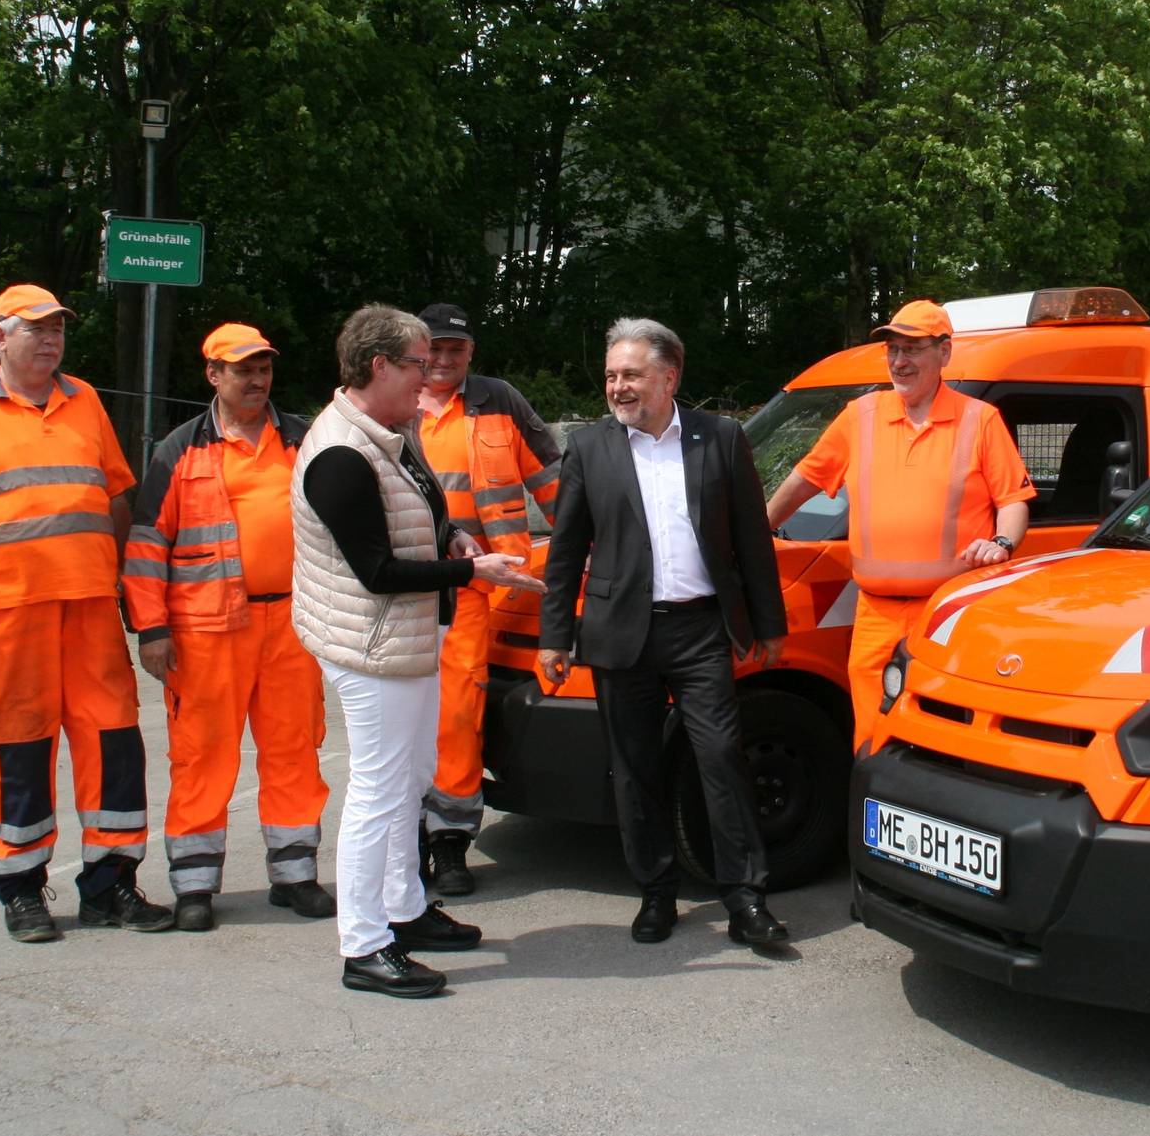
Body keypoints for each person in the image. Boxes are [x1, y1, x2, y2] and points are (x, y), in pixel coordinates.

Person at [0, 284, 174, 942]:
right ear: (0, 336)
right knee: (16, 746)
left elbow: (114, 496)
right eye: (37, 329)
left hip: (87, 608)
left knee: (114, 741)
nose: (51, 340)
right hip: (3, 615)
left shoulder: (85, 402)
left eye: (57, 330)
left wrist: (113, 576)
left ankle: (112, 886)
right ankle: (21, 890)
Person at [291, 304, 542, 998]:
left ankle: (405, 908)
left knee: (407, 779)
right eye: (416, 362)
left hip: (408, 634)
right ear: (379, 366)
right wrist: (471, 571)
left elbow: (423, 511)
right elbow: (376, 570)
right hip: (373, 644)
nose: (429, 373)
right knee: (377, 789)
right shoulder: (341, 453)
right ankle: (365, 944)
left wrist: (454, 537)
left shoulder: (390, 431)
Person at [538, 318, 790, 947]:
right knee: (636, 769)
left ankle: (745, 898)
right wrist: (554, 636)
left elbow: (751, 539)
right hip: (622, 635)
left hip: (702, 629)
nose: (618, 387)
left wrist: (769, 625)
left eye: (631, 375)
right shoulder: (590, 447)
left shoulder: (721, 438)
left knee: (722, 760)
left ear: (669, 375)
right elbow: (565, 550)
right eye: (612, 376)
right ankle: (656, 893)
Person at [122, 323, 333, 932]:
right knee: (201, 756)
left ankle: (295, 876)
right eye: (243, 369)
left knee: (294, 750)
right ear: (213, 375)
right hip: (205, 633)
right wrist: (151, 629)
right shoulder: (179, 451)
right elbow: (145, 545)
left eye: (264, 368)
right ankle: (194, 887)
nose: (256, 379)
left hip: (293, 622)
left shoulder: (303, 440)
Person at [764, 298, 1036, 741]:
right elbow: (805, 480)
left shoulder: (980, 420)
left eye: (912, 348)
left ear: (944, 353)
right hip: (875, 613)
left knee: (942, 734)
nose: (898, 360)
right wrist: (757, 531)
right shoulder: (860, 416)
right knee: (872, 736)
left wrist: (1002, 544)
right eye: (893, 349)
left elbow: (1013, 500)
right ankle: (874, 806)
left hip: (949, 613)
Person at [411, 301, 562, 896]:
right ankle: (402, 842)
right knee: (400, 724)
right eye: (435, 350)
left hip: (479, 593)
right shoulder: (391, 402)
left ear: (471, 352)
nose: (444, 361)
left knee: (457, 720)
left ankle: (449, 842)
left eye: (456, 349)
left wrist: (588, 550)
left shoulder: (499, 400)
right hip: (403, 592)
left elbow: (553, 484)